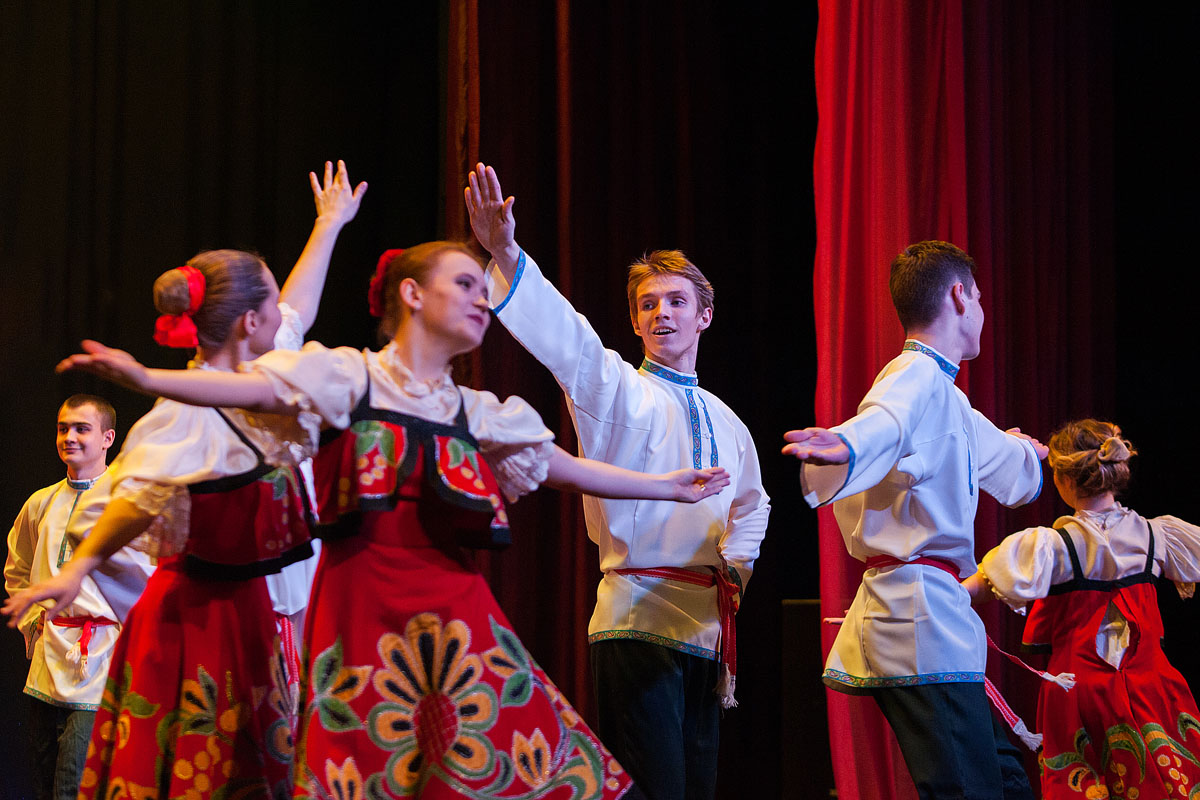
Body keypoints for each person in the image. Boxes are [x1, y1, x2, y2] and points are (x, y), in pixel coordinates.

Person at [37, 240, 730, 799]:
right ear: (412, 295)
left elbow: (556, 465)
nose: (480, 298)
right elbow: (254, 387)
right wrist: (150, 379)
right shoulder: (349, 380)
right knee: (366, 768)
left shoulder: (470, 410)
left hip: (457, 619)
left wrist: (665, 486)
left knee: (519, 762)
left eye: (481, 288)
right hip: (364, 614)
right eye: (464, 283)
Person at [465, 163, 771, 800]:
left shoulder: (728, 420)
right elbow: (566, 338)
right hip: (635, 621)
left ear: (704, 316)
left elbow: (753, 503)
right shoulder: (616, 389)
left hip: (706, 630)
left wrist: (736, 574)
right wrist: (506, 252)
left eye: (676, 301)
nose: (662, 313)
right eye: (648, 305)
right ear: (634, 323)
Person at [783, 240, 1046, 799]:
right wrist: (846, 446)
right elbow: (884, 421)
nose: (981, 310)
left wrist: (1030, 452)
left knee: (1005, 781)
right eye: (979, 297)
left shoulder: (947, 396)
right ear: (960, 296)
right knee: (968, 790)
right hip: (918, 618)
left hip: (935, 615)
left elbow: (1013, 473)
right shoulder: (915, 374)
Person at [963, 420, 1200, 798]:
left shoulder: (1051, 547)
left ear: (1062, 478)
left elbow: (977, 589)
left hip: (1080, 695)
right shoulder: (1158, 535)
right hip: (1154, 687)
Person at [5, 395, 154, 800]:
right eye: (63, 428)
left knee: (74, 781)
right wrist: (32, 624)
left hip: (101, 655)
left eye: (81, 429)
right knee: (43, 775)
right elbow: (18, 568)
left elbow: (149, 576)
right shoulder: (41, 502)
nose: (69, 437)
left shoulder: (126, 505)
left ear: (108, 438)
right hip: (49, 655)